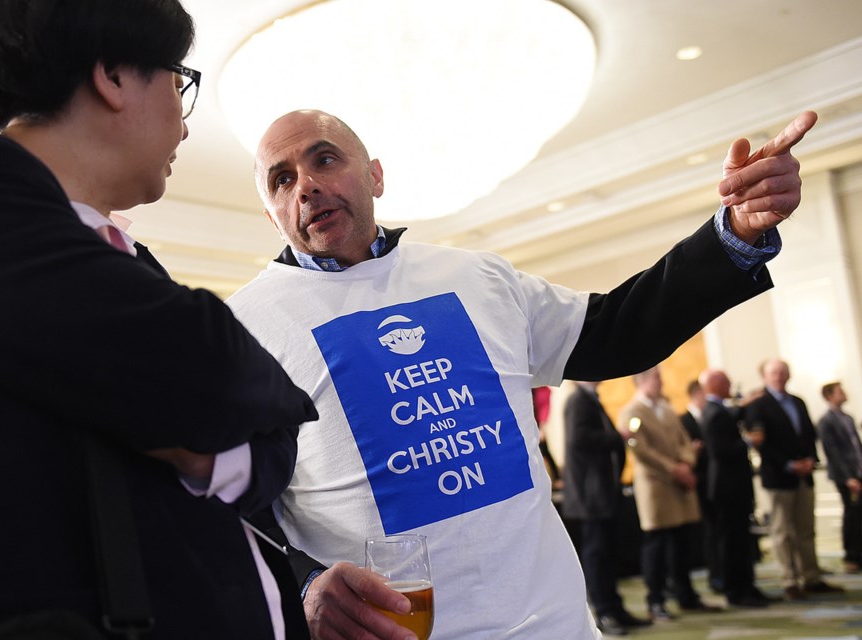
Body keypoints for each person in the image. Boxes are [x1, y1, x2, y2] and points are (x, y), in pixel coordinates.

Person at [227, 108, 816, 639]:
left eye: (324, 159)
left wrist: (735, 234)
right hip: (394, 630)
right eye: (281, 179)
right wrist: (301, 584)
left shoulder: (478, 278)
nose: (305, 185)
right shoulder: (241, 326)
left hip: (548, 620)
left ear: (376, 176)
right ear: (271, 215)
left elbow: (616, 331)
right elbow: (226, 500)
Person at [0, 1, 319, 638]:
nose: (183, 126)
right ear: (113, 75)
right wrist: (200, 419)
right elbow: (215, 366)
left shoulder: (117, 260)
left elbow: (265, 445)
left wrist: (195, 441)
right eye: (179, 84)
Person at [618, 367, 719, 621]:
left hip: (679, 485)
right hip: (657, 486)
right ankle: (656, 600)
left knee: (682, 542)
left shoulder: (665, 408)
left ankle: (686, 596)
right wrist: (674, 469)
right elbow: (640, 449)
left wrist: (686, 463)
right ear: (641, 381)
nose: (661, 381)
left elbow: (685, 440)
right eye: (656, 377)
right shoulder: (632, 411)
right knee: (657, 545)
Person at [745, 359, 844, 599]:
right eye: (773, 373)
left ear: (788, 375)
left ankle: (811, 577)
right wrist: (788, 464)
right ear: (765, 377)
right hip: (779, 477)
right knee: (782, 532)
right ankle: (790, 580)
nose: (778, 376)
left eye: (782, 372)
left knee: (805, 529)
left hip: (804, 476)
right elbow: (762, 443)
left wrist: (810, 459)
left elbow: (809, 434)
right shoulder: (758, 405)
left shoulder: (797, 402)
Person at [562, 381, 650, 635]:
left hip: (602, 494)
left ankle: (615, 608)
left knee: (608, 555)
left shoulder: (590, 399)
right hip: (591, 497)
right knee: (598, 556)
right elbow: (579, 439)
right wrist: (618, 437)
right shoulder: (579, 400)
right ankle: (604, 612)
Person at [698, 369, 771, 608]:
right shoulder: (713, 412)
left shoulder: (719, 409)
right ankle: (736, 591)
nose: (731, 385)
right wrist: (749, 442)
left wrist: (743, 404)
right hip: (727, 488)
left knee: (741, 539)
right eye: (727, 381)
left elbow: (732, 414)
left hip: (734, 487)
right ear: (715, 384)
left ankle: (747, 586)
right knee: (731, 542)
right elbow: (721, 451)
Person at [816, 382, 862, 574]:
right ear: (829, 396)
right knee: (851, 514)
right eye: (840, 391)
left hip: (858, 471)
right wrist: (847, 477)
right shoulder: (825, 421)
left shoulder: (848, 418)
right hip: (845, 476)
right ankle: (851, 555)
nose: (844, 393)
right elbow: (832, 452)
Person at [681, 379, 720, 592]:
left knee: (716, 529)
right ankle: (714, 576)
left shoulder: (710, 415)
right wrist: (691, 453)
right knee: (708, 531)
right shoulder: (684, 420)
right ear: (696, 394)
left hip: (715, 480)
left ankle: (721, 572)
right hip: (696, 481)